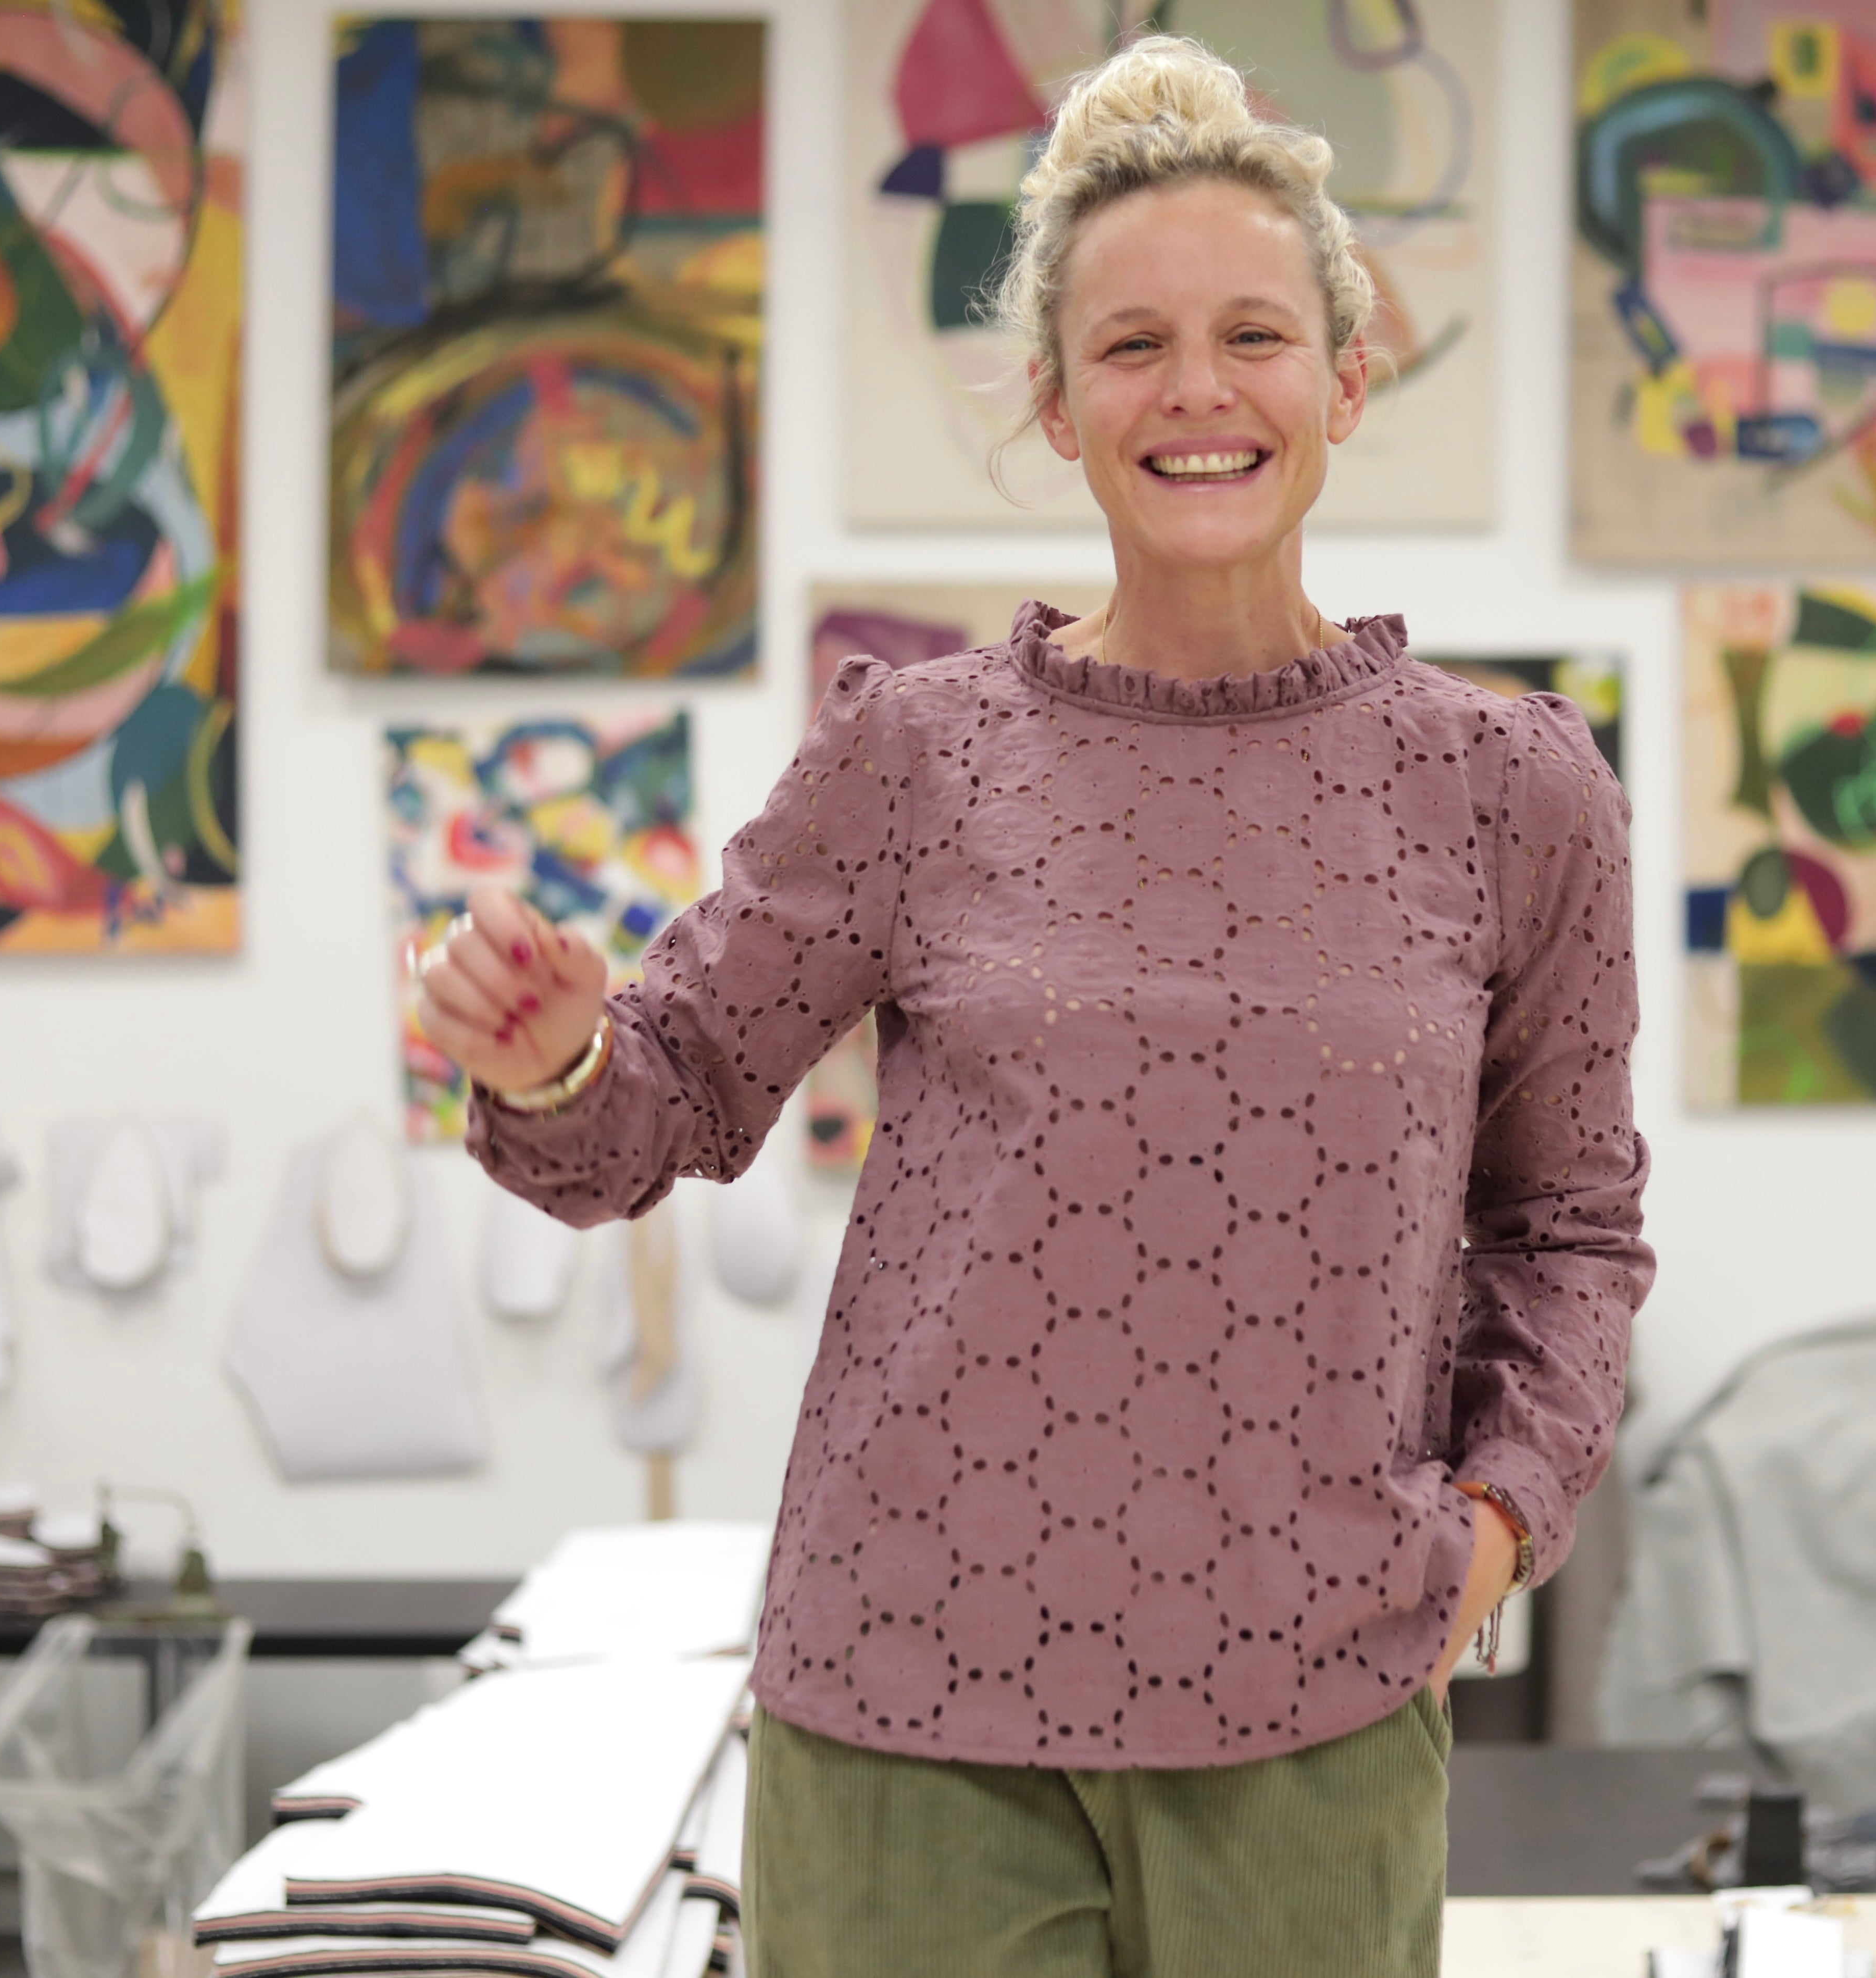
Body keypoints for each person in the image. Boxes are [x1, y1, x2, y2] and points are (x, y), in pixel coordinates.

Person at [417, 34, 1654, 1978]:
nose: (1198, 391)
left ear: (1345, 380)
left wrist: (1493, 1530)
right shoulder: (917, 755)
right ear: (1061, 408)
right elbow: (665, 1097)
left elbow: (1569, 1231)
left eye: (1254, 335)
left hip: (1320, 1709)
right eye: (1133, 345)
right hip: (909, 1709)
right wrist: (553, 1058)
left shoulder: (1512, 790)